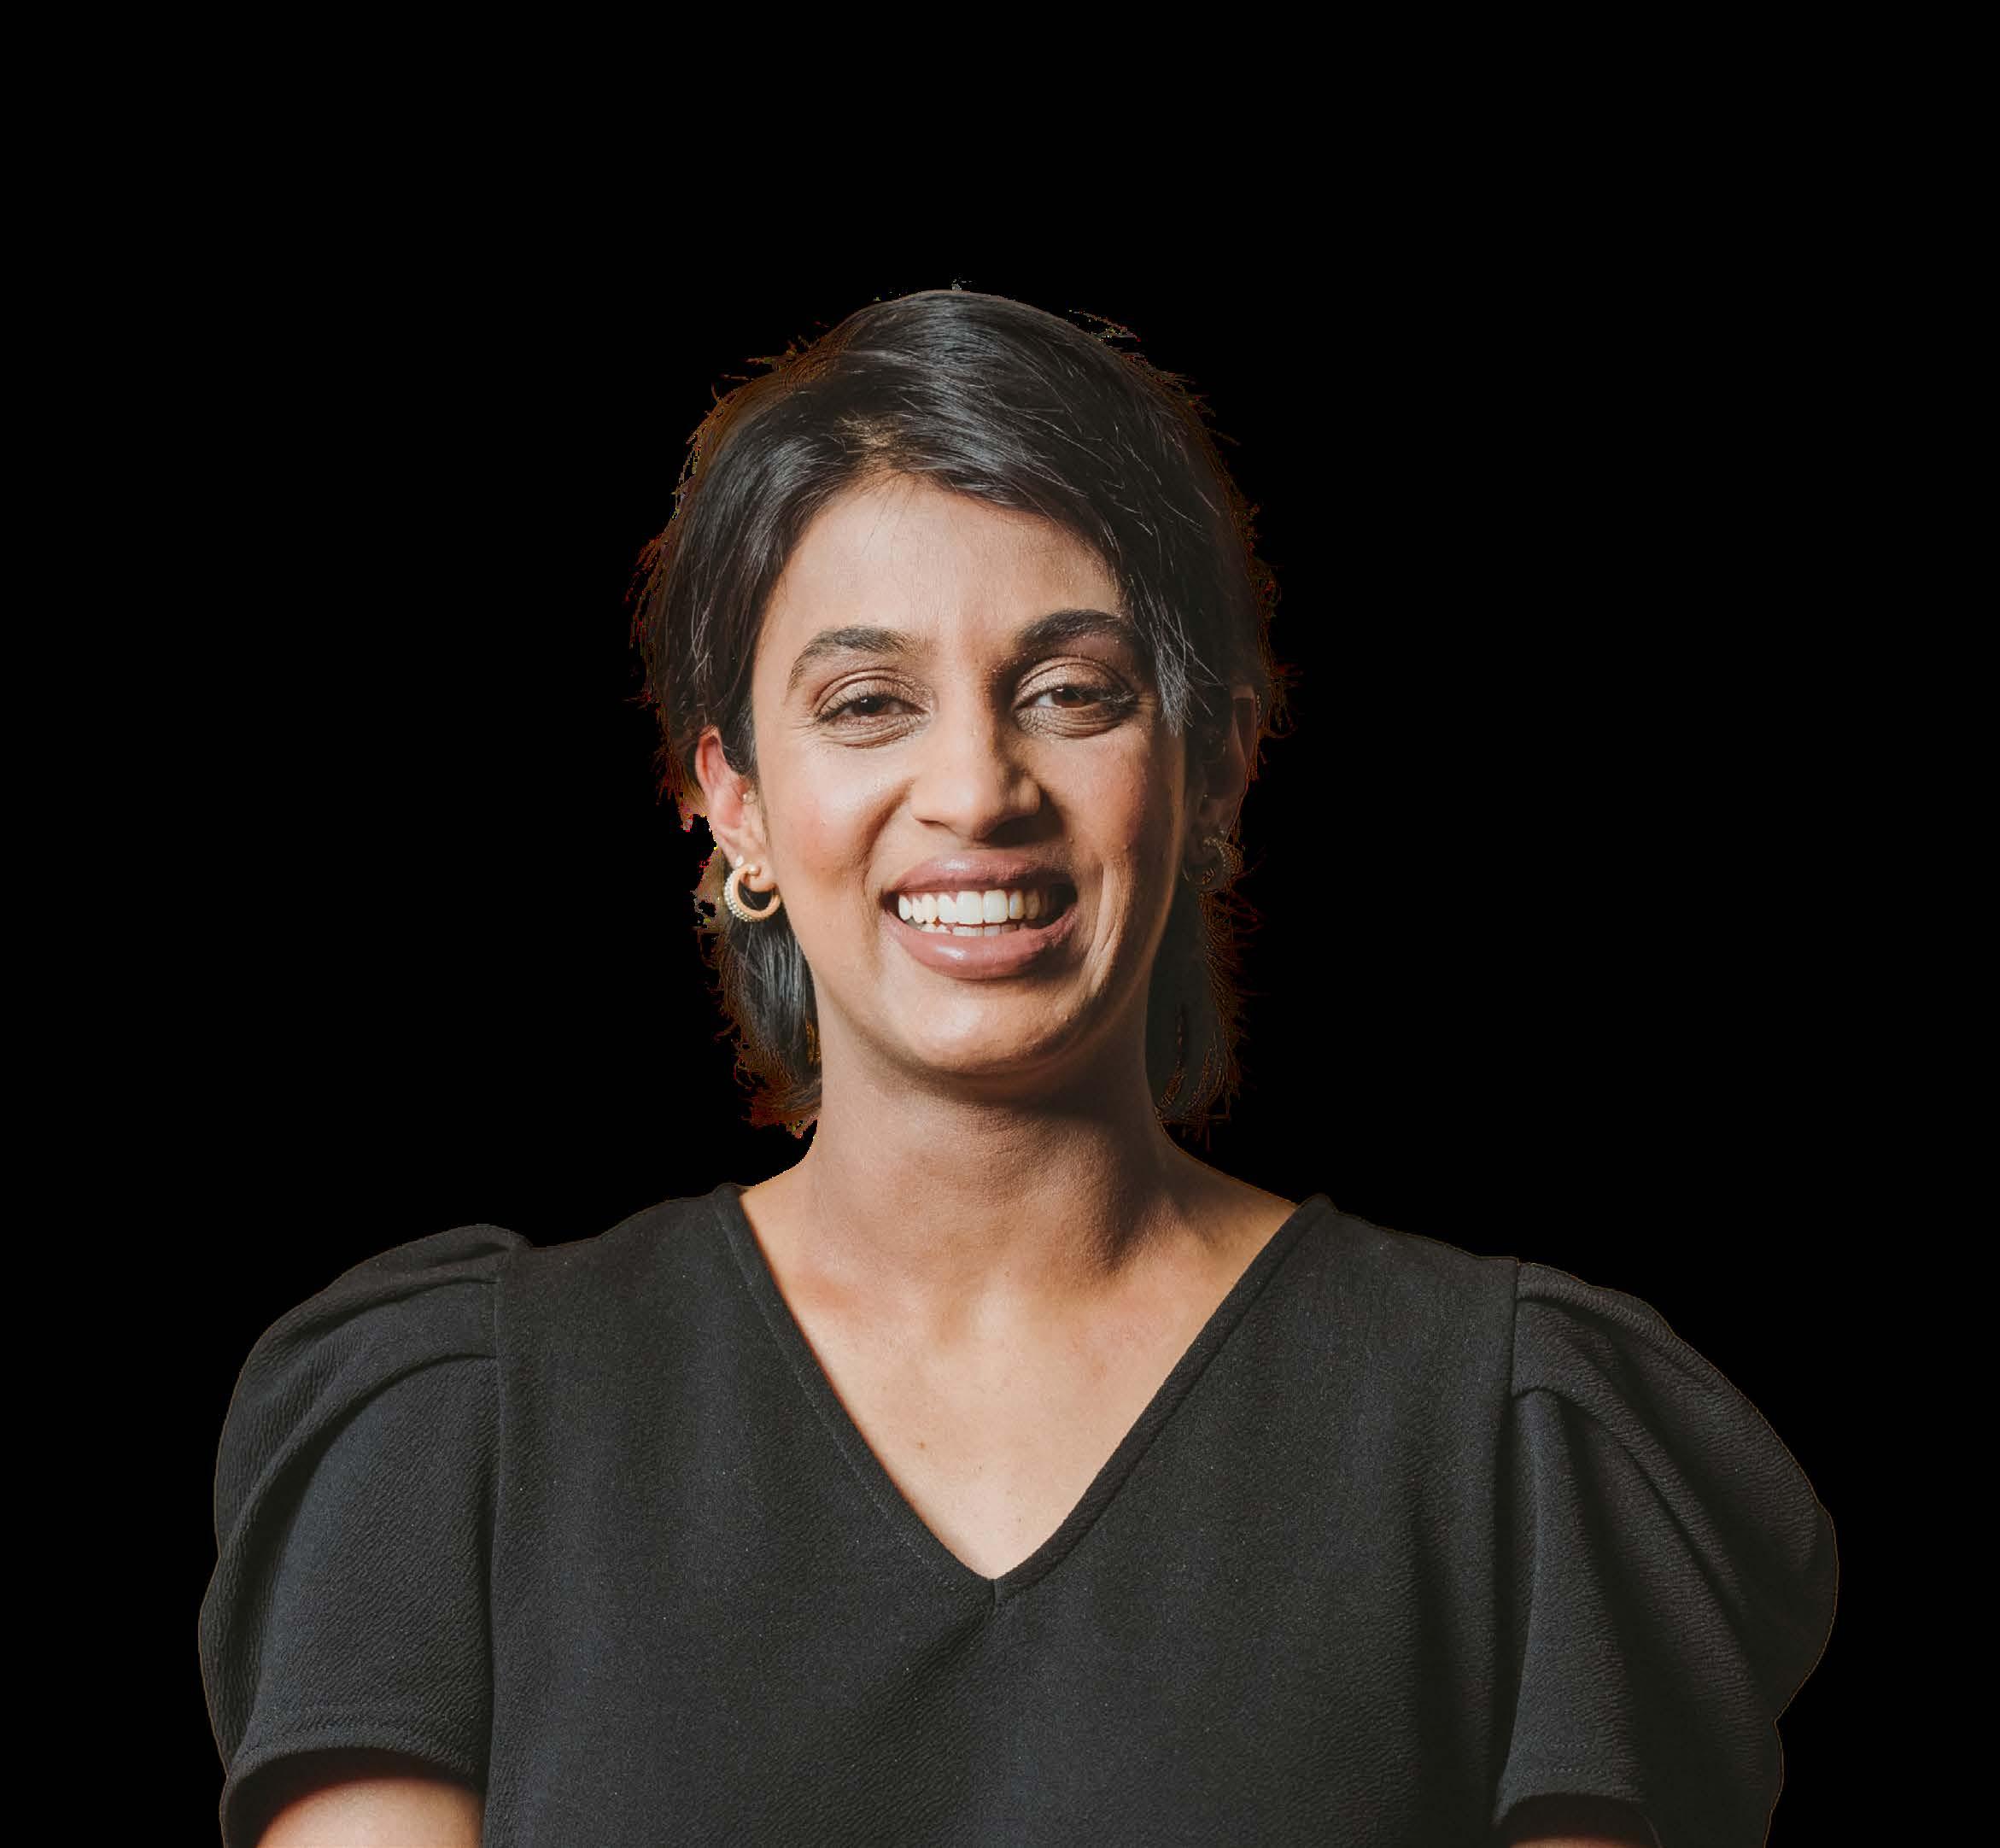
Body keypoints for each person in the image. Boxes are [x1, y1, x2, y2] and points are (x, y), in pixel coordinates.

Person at [199, 288, 1837, 1846]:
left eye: (1070, 692)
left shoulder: (1513, 1440)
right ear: (735, 803)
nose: (977, 789)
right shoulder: (449, 1439)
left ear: (1211, 772)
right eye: (866, 703)